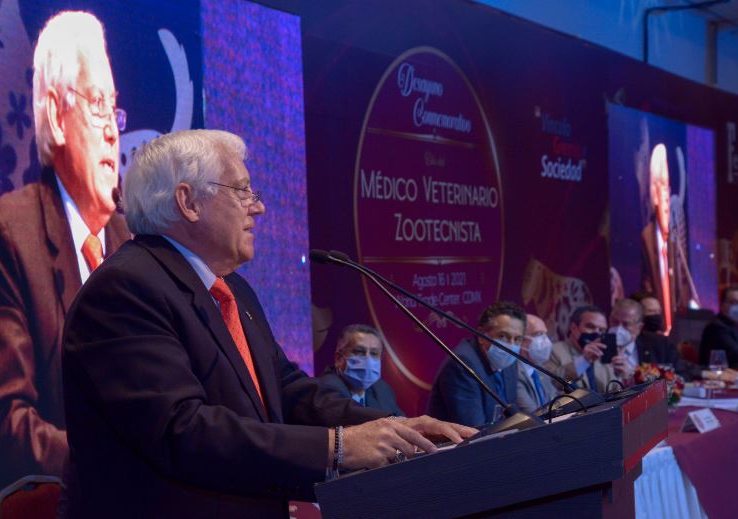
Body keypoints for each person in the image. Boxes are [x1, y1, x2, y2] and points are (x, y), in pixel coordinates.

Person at [58, 129, 475, 517]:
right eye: (242, 190)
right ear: (188, 202)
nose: (258, 206)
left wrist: (397, 431)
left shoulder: (232, 289)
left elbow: (287, 391)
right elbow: (182, 431)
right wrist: (338, 447)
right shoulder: (124, 290)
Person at [0, 11, 130, 498]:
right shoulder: (9, 233)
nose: (113, 130)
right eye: (97, 104)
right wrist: (114, 467)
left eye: (114, 108)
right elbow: (4, 423)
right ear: (57, 117)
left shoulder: (132, 242)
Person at [427, 302, 525, 427]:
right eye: (503, 336)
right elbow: (474, 428)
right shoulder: (462, 364)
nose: (511, 346)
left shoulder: (510, 361)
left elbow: (512, 416)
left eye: (517, 339)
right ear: (481, 335)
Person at [640, 144, 696, 334]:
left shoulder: (676, 239)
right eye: (659, 187)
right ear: (652, 193)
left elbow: (683, 285)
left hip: (678, 333)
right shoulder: (646, 238)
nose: (664, 197)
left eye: (667, 187)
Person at [318, 324, 404, 416]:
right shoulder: (325, 389)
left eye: (374, 353)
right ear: (338, 358)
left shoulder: (382, 389)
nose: (368, 360)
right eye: (359, 351)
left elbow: (402, 421)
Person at [545, 306, 623, 393]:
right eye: (591, 327)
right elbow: (552, 384)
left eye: (602, 330)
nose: (597, 333)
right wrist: (584, 360)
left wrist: (620, 374)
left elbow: (615, 391)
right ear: (574, 328)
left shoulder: (604, 353)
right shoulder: (554, 351)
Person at [609, 299, 678, 375]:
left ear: (639, 328)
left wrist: (631, 375)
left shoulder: (661, 346)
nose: (619, 329)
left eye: (626, 324)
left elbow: (678, 376)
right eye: (614, 322)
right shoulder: (601, 346)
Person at [515, 314, 557, 414]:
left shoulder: (540, 369)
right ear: (520, 339)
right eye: (538, 334)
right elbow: (533, 414)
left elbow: (556, 402)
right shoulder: (514, 373)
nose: (545, 340)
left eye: (545, 334)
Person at [700, 285, 738, 368]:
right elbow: (735, 354)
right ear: (722, 304)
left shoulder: (733, 325)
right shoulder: (716, 327)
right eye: (733, 303)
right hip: (717, 374)